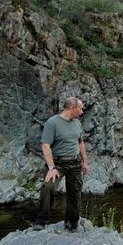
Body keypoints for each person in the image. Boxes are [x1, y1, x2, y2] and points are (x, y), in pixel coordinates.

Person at [34, 97, 89, 231]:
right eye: (80, 108)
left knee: (75, 193)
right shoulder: (52, 123)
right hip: (58, 163)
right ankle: (41, 221)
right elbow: (45, 145)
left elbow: (80, 142)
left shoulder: (77, 123)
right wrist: (51, 168)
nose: (82, 112)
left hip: (75, 162)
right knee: (48, 187)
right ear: (72, 108)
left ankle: (71, 223)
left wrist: (85, 162)